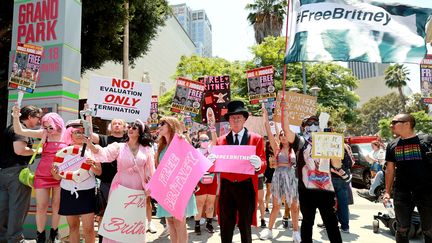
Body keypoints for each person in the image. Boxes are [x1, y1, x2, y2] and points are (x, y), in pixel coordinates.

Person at [87, 119, 155, 243]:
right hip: (120, 186)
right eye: (129, 127)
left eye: (134, 128)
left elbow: (151, 169)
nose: (130, 129)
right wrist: (90, 145)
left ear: (140, 132)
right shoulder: (119, 146)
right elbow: (104, 153)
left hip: (138, 188)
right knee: (117, 217)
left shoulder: (146, 149)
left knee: (133, 221)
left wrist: (150, 187)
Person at [12, 106, 67, 243]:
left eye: (51, 127)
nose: (48, 130)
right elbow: (20, 130)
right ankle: (40, 236)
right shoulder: (43, 134)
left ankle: (54, 234)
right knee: (41, 206)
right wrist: (15, 116)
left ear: (58, 124)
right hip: (42, 175)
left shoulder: (67, 135)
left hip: (60, 175)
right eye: (45, 127)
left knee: (57, 206)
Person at [285, 114, 342, 243]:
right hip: (306, 189)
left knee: (331, 223)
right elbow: (287, 131)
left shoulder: (328, 139)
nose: (312, 126)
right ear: (303, 127)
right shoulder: (300, 141)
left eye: (316, 123)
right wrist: (285, 111)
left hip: (326, 188)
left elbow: (337, 165)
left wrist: (332, 148)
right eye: (308, 124)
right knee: (307, 222)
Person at [215, 100, 266, 243]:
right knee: (226, 224)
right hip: (227, 186)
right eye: (232, 117)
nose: (236, 119)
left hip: (246, 186)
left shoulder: (256, 139)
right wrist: (212, 161)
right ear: (229, 121)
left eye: (239, 116)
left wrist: (258, 165)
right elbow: (216, 165)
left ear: (244, 119)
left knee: (245, 225)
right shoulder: (220, 141)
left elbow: (263, 162)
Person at [384, 113, 432, 243]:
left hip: (426, 191)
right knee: (402, 229)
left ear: (407, 124)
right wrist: (387, 192)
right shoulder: (392, 145)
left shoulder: (427, 139)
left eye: (395, 122)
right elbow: (390, 170)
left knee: (429, 229)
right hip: (402, 192)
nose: (391, 125)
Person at [51, 120, 101, 243]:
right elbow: (57, 177)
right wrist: (54, 172)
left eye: (82, 132)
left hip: (87, 192)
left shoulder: (93, 150)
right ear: (70, 134)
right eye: (76, 132)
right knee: (73, 227)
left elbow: (98, 172)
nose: (80, 134)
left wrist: (92, 165)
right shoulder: (62, 153)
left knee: (88, 229)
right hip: (68, 191)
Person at [0, 105, 42, 243]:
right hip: (17, 173)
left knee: (3, 208)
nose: (39, 121)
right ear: (29, 116)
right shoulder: (21, 130)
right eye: (37, 117)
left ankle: (4, 237)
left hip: (4, 172)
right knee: (18, 207)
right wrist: (39, 151)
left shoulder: (9, 128)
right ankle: (16, 239)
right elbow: (20, 150)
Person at [259, 104, 301, 242]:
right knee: (276, 206)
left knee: (294, 206)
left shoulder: (296, 147)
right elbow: (269, 131)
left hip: (291, 177)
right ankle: (270, 230)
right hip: (278, 177)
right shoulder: (276, 148)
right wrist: (265, 115)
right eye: (281, 135)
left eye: (285, 135)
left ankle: (296, 232)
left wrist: (285, 112)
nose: (283, 136)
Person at [155, 117, 198, 243]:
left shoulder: (180, 141)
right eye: (159, 124)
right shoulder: (161, 147)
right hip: (166, 190)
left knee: (179, 221)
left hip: (179, 187)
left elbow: (192, 159)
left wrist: (184, 137)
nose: (160, 125)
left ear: (171, 125)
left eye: (163, 123)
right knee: (170, 221)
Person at [194, 133, 217, 235]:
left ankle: (209, 223)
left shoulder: (212, 150)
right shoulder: (196, 152)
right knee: (200, 203)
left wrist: (212, 129)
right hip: (200, 180)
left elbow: (215, 141)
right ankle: (197, 224)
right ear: (199, 141)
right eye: (203, 140)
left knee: (210, 202)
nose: (205, 142)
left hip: (212, 179)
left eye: (207, 140)